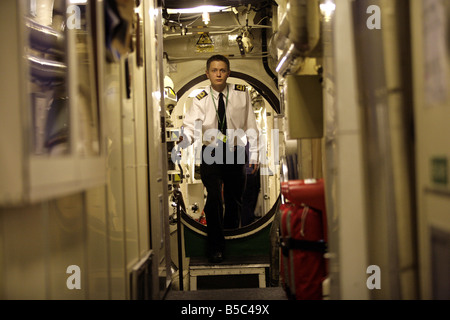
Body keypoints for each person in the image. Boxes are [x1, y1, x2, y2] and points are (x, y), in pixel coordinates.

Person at [178, 55, 259, 263]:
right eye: (214, 70)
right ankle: (215, 247)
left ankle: (231, 238)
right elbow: (190, 126)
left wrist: (255, 154)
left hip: (235, 151)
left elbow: (251, 126)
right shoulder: (201, 99)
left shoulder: (242, 95)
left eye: (222, 70)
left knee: (234, 200)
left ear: (228, 73)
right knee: (214, 197)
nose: (218, 74)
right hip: (211, 151)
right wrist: (184, 140)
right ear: (207, 74)